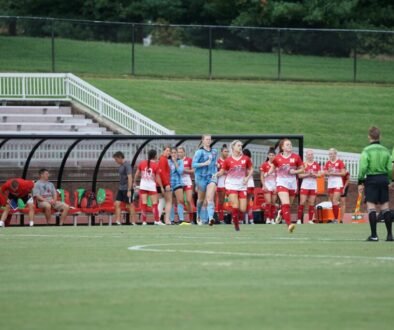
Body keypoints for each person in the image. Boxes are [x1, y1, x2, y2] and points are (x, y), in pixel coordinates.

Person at [358, 126, 392, 241]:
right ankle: (389, 235)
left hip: (372, 179)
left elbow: (363, 167)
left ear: (369, 137)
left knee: (371, 207)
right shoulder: (386, 150)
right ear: (379, 136)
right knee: (385, 207)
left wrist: (360, 181)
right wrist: (391, 180)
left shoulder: (366, 150)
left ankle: (374, 235)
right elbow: (390, 168)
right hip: (383, 178)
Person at [217, 140, 253, 231]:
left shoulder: (245, 159)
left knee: (243, 208)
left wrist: (247, 177)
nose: (240, 147)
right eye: (238, 145)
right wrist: (216, 174)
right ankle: (236, 224)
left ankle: (235, 217)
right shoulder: (228, 160)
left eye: (241, 146)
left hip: (242, 185)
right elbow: (222, 171)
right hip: (231, 185)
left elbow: (251, 169)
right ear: (233, 147)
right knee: (235, 206)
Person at [269, 139, 304, 233]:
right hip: (281, 182)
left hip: (292, 183)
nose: (290, 146)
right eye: (287, 145)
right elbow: (273, 167)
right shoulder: (277, 158)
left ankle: (281, 212)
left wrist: (295, 171)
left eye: (290, 144)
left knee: (288, 205)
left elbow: (302, 169)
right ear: (282, 147)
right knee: (286, 204)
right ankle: (289, 225)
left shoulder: (296, 157)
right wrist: (268, 173)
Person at [192, 135, 218, 226]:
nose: (208, 141)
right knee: (200, 199)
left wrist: (216, 169)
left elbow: (214, 163)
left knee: (210, 198)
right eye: (206, 139)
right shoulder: (199, 152)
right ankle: (198, 215)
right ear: (202, 141)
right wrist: (204, 163)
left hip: (211, 177)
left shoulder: (214, 151)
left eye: (209, 139)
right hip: (200, 178)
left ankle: (211, 218)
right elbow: (193, 164)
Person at [134, 149, 163, 225]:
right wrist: (161, 187)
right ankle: (156, 220)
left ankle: (144, 221)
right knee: (154, 203)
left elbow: (137, 174)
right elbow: (157, 177)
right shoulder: (156, 165)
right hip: (151, 186)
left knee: (144, 203)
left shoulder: (142, 163)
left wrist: (134, 181)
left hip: (143, 186)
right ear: (155, 156)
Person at [297, 150, 321, 224]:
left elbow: (319, 175)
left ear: (313, 155)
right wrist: (308, 174)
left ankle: (310, 220)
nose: (310, 156)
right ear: (306, 156)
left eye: (311, 154)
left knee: (311, 202)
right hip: (305, 185)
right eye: (308, 154)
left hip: (313, 186)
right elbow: (299, 175)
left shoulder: (316, 164)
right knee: (302, 202)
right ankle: (299, 220)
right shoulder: (303, 164)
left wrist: (313, 174)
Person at [112, 151, 135, 225]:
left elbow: (130, 177)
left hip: (126, 188)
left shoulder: (127, 165)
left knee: (129, 205)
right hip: (121, 188)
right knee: (117, 204)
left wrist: (129, 190)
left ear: (120, 157)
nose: (115, 161)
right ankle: (118, 221)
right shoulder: (121, 165)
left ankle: (133, 222)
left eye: (116, 159)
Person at [323, 148, 346, 224]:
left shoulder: (339, 162)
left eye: (332, 154)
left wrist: (334, 173)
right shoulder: (327, 163)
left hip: (337, 183)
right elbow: (325, 172)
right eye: (329, 154)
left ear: (335, 154)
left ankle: (336, 219)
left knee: (335, 201)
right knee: (333, 202)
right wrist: (328, 172)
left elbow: (343, 173)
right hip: (330, 184)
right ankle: (335, 218)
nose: (331, 155)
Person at [168, 147, 187, 224]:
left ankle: (181, 219)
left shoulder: (180, 161)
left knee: (180, 201)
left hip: (177, 182)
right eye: (172, 153)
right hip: (169, 183)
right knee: (171, 202)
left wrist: (175, 162)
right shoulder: (167, 161)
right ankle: (171, 219)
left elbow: (180, 171)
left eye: (175, 153)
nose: (173, 154)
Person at [177, 146, 195, 223]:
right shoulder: (176, 161)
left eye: (181, 152)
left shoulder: (189, 160)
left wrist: (186, 171)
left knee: (188, 200)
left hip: (187, 181)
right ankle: (181, 219)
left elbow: (193, 170)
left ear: (184, 152)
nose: (179, 153)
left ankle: (192, 218)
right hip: (179, 182)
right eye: (178, 152)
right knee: (180, 201)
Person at [260, 148, 277, 225]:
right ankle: (267, 218)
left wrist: (277, 186)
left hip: (275, 185)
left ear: (275, 156)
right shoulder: (264, 164)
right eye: (270, 155)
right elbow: (262, 176)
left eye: (273, 155)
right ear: (267, 155)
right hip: (267, 185)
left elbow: (279, 176)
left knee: (273, 203)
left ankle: (272, 218)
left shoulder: (277, 165)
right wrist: (264, 185)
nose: (271, 156)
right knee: (268, 202)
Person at [157, 146, 172, 225]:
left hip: (160, 184)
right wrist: (166, 184)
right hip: (164, 184)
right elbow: (163, 173)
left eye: (169, 151)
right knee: (169, 201)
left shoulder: (161, 159)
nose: (168, 152)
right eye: (167, 150)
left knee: (161, 201)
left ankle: (157, 219)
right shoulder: (163, 159)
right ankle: (166, 220)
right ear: (163, 151)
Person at [217, 144, 229, 224]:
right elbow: (216, 172)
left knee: (232, 200)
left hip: (229, 182)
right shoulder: (218, 161)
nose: (226, 153)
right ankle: (221, 219)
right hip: (221, 183)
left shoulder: (229, 160)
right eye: (225, 151)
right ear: (221, 152)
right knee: (221, 201)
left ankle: (234, 218)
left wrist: (224, 172)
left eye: (227, 151)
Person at [242, 148, 255, 225]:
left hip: (247, 184)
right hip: (250, 183)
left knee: (244, 202)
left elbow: (248, 172)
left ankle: (246, 219)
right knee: (248, 202)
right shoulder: (250, 160)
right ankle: (250, 219)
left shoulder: (246, 161)